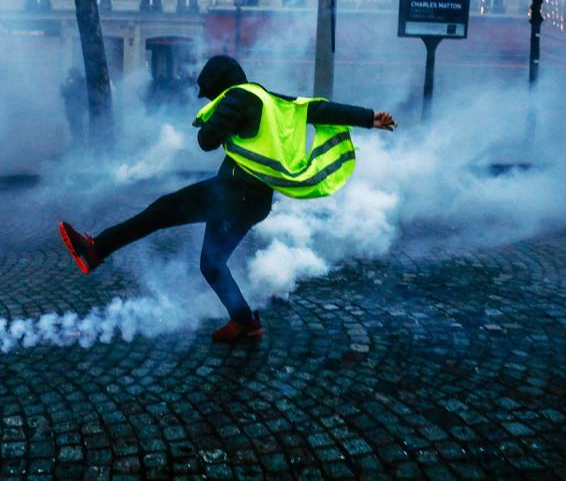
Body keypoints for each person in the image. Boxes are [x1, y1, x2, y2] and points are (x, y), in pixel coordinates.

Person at [59, 55, 396, 343]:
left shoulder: (236, 97)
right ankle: (245, 323)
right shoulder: (270, 99)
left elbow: (207, 141)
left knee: (160, 211)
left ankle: (95, 249)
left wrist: (211, 125)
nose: (208, 102)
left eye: (209, 96)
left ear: (220, 85)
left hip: (235, 193)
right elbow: (320, 110)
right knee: (211, 263)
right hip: (254, 200)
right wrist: (369, 117)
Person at [61, 67, 87, 148]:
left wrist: (65, 89)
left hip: (77, 109)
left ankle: (79, 144)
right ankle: (76, 142)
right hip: (72, 109)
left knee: (77, 126)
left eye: (71, 74)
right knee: (73, 126)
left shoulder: (80, 82)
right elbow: (66, 95)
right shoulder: (73, 82)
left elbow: (75, 93)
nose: (70, 76)